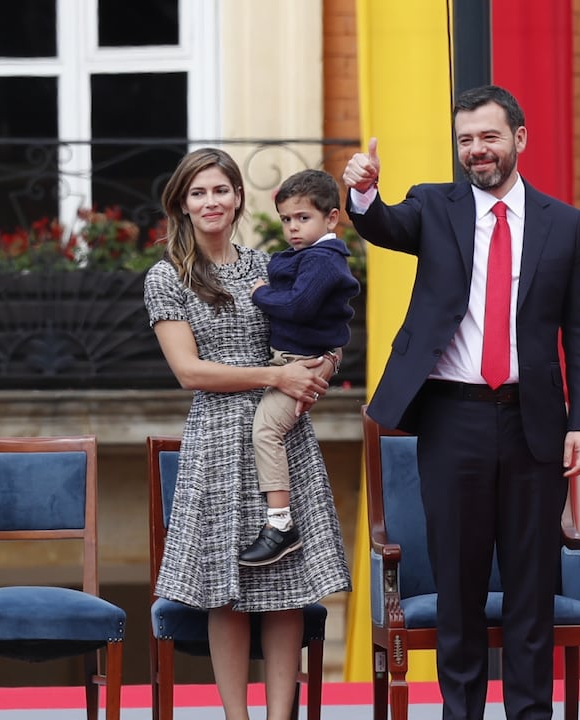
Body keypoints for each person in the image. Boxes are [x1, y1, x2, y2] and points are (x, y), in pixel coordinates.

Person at [341, 84, 580, 720]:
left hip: (533, 423)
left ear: (519, 138)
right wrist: (362, 192)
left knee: (530, 586)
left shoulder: (563, 223)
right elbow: (382, 225)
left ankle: (529, 715)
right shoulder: (434, 206)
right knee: (457, 583)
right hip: (452, 416)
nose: (476, 150)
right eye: (465, 140)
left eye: (488, 137)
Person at [144, 148, 352, 720]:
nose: (211, 202)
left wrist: (322, 367)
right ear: (182, 205)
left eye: (220, 190)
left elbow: (325, 323)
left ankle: (279, 716)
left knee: (286, 588)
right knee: (225, 588)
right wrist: (276, 374)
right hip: (216, 435)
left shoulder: (273, 263)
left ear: (238, 198)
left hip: (281, 434)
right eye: (198, 193)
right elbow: (189, 372)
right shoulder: (169, 276)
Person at [239, 169, 360, 567]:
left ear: (331, 218)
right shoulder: (309, 257)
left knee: (266, 432)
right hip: (294, 361)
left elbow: (297, 306)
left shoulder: (323, 262)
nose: (292, 227)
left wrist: (261, 294)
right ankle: (278, 522)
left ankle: (280, 525)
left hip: (297, 365)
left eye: (302, 218)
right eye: (286, 219)